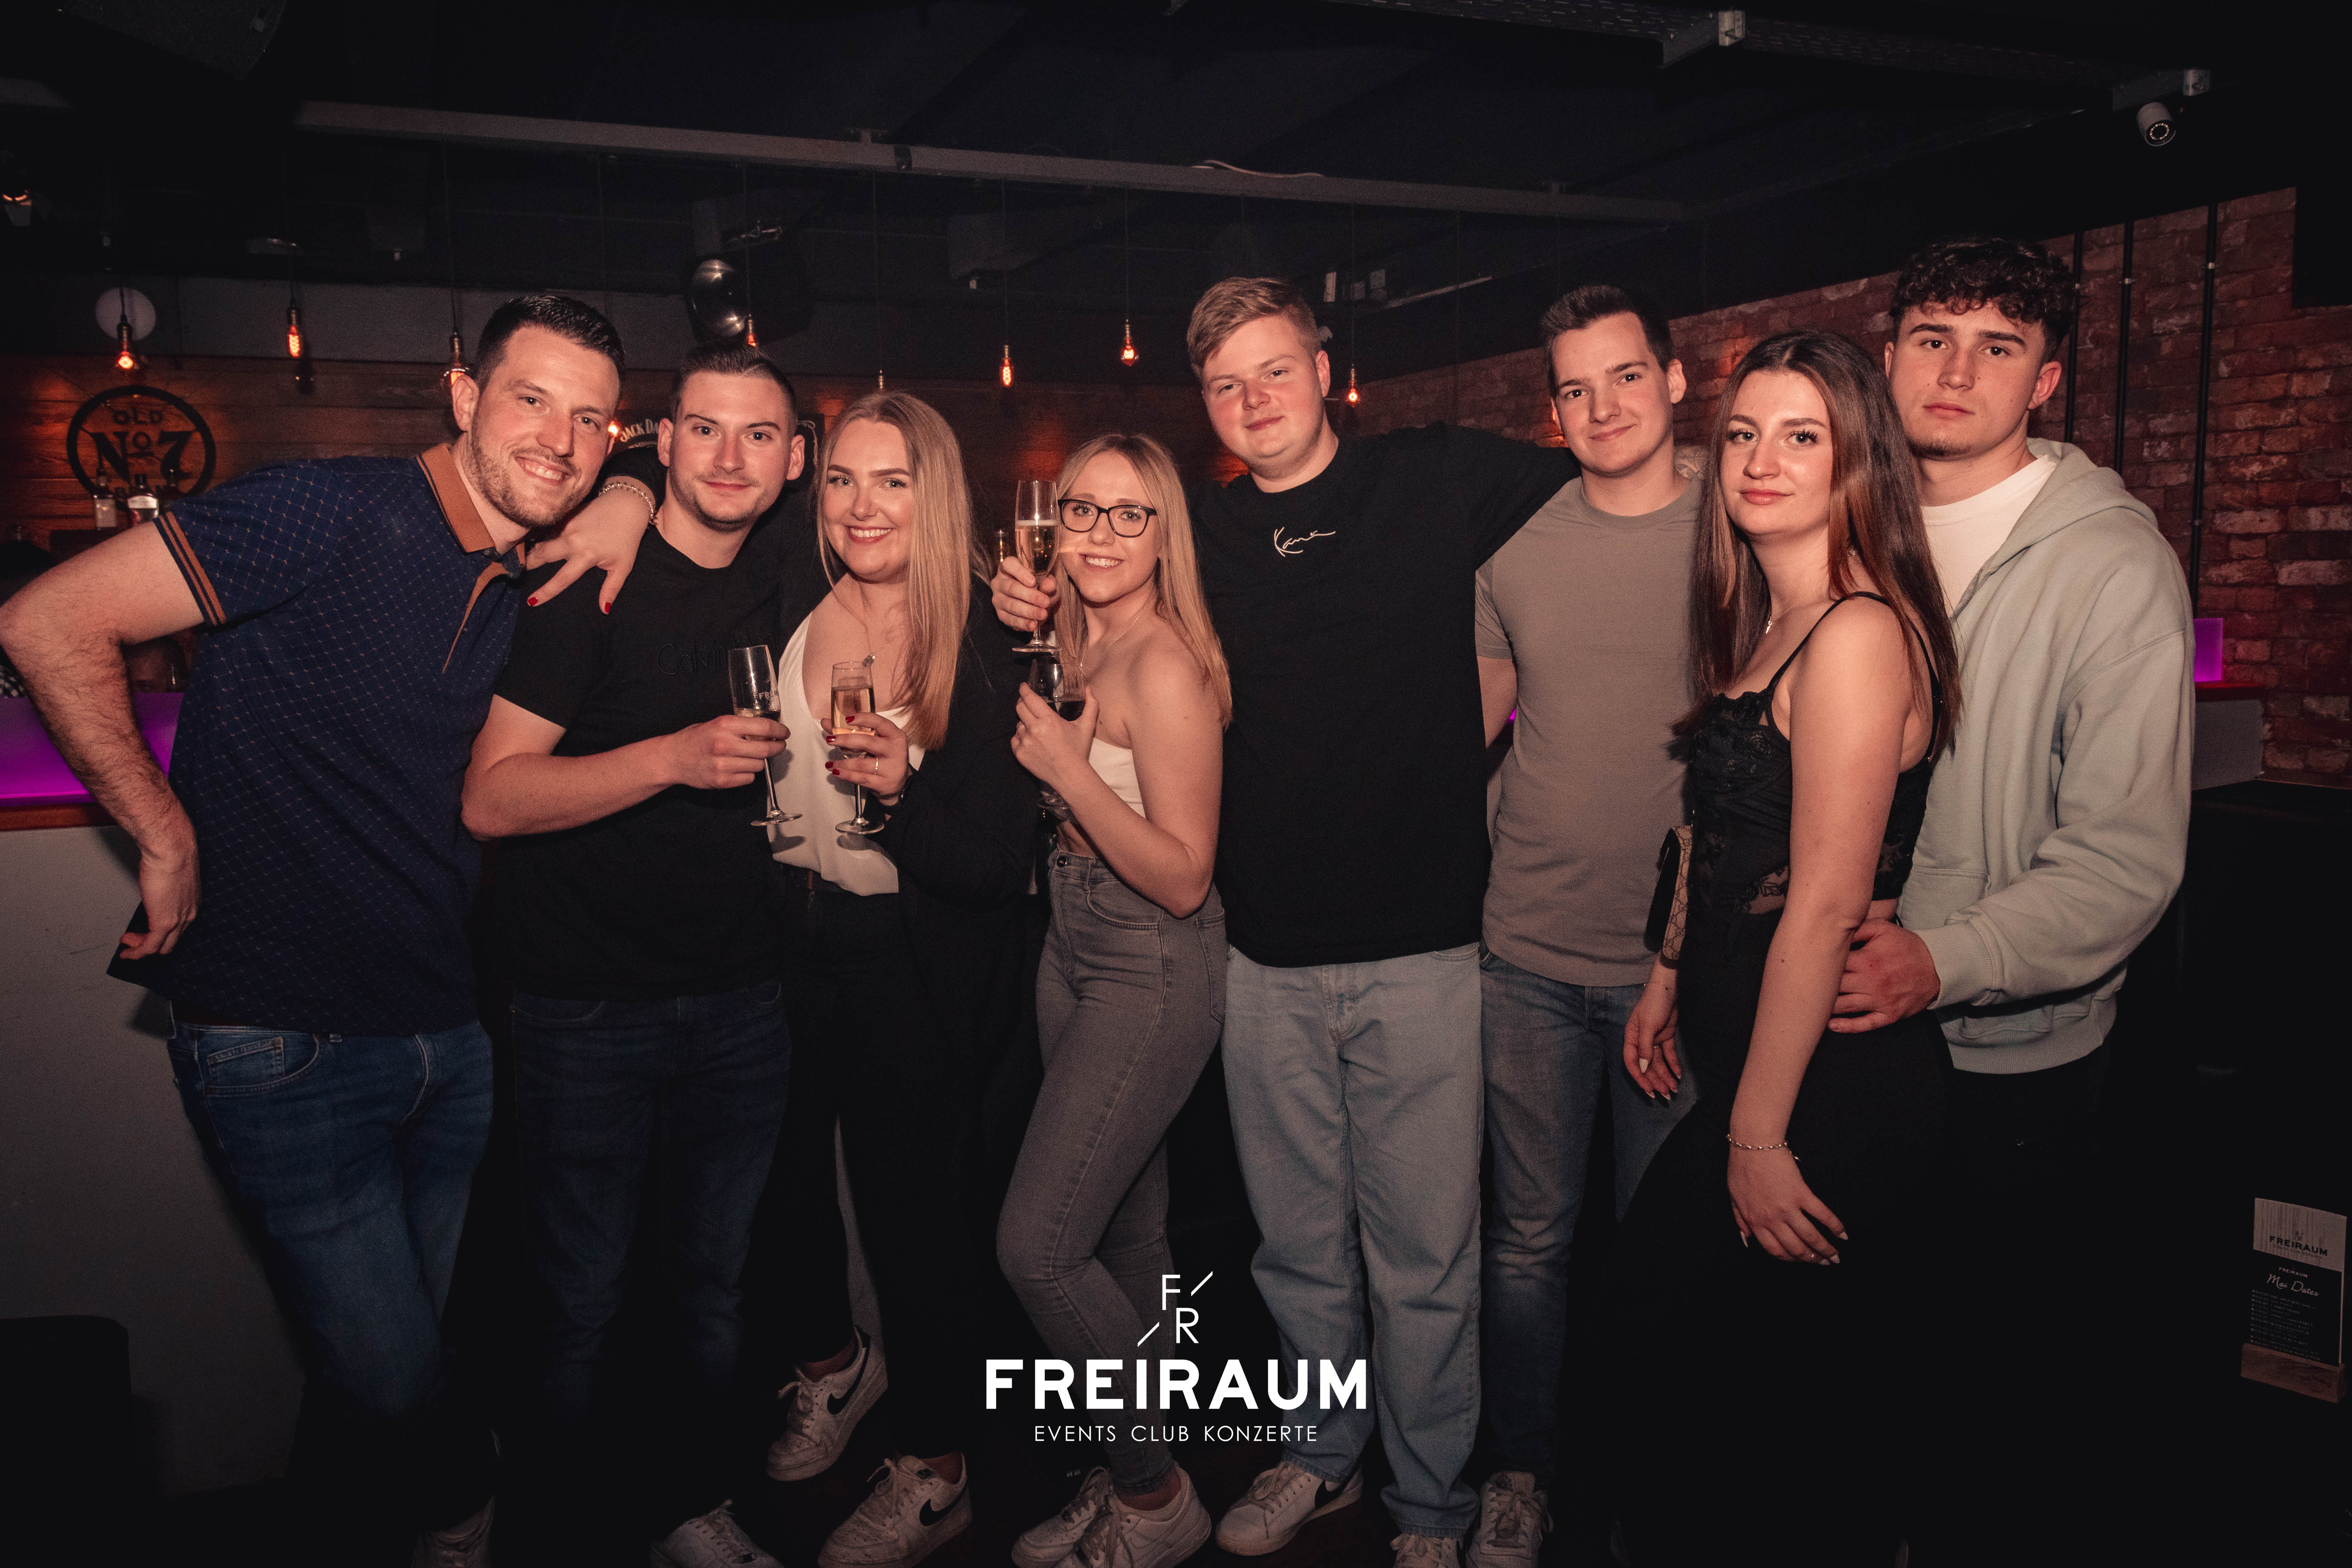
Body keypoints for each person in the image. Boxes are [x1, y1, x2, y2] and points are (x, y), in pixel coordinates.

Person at [0, 293, 632, 1565]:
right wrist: (162, 832)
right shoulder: (331, 509)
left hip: (445, 1034)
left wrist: (628, 492)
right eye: (531, 400)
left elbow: (691, 470)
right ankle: (470, 1510)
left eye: (591, 421)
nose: (560, 440)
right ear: (465, 398)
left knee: (377, 1373)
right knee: (397, 1382)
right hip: (282, 1041)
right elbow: (46, 620)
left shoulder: (526, 561)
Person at [996, 278, 1578, 1568]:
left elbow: (1616, 473)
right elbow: (1098, 581)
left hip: (1424, 949)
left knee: (1426, 1260)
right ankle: (1323, 1455)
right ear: (1204, 402)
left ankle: (1431, 1504)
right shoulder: (1194, 532)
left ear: (1324, 368)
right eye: (1226, 383)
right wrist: (1023, 597)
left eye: (1275, 370)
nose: (1254, 399)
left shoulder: (1429, 478)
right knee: (1299, 1253)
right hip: (1259, 955)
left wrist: (1489, 715)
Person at [1835, 237, 2193, 1564]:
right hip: (1831, 1023)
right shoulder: (1843, 526)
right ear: (1890, 358)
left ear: (2045, 381)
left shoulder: (2112, 569)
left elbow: (2125, 860)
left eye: (1999, 347)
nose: (1958, 370)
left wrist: (1946, 957)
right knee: (1845, 1368)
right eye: (1933, 338)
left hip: (2003, 1057)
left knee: (1984, 1401)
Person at [1602, 329, 1963, 1567]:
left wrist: (1756, 1139)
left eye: (1802, 435)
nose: (1761, 460)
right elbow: (1717, 834)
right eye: (1745, 434)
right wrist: (1667, 972)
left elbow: (1820, 903)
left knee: (1726, 1393)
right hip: (1763, 1068)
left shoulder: (1855, 631)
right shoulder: (1777, 620)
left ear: (1856, 458)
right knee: (1743, 1406)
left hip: (1830, 1089)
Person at [459, 340, 804, 1567]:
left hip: (745, 1003)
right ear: (662, 441)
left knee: (711, 1293)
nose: (730, 457)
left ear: (794, 461)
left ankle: (687, 1505)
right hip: (584, 1008)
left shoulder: (795, 569)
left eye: (759, 435)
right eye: (704, 429)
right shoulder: (587, 584)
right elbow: (491, 797)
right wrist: (670, 759)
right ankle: (560, 1530)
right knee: (577, 1304)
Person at [765, 390, 1035, 1568]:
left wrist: (902, 796)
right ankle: (835, 1366)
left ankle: (939, 1467)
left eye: (893, 482)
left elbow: (996, 865)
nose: (862, 506)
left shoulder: (983, 637)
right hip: (785, 941)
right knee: (779, 1187)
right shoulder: (789, 591)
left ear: (938, 496)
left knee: (913, 1221)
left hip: (910, 962)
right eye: (842, 479)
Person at [1464, 283, 1701, 1568]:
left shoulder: (1745, 522)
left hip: (1680, 964)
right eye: (1574, 388)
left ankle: (1650, 1483)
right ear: (1552, 411)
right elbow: (1467, 728)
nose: (1602, 407)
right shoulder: (1516, 540)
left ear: (1676, 379)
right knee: (1528, 1244)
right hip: (1528, 953)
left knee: (1668, 1246)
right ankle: (1523, 1473)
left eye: (1625, 376)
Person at [996, 434, 1230, 1568]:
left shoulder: (1168, 665)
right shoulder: (1079, 635)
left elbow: (1185, 875)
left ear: (1164, 534)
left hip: (1151, 959)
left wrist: (1068, 774)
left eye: (1129, 515)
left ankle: (1156, 1494)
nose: (1098, 533)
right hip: (1073, 942)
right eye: (1082, 510)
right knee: (1127, 1236)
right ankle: (1134, 1462)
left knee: (1038, 1250)